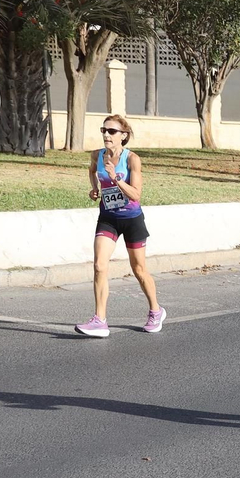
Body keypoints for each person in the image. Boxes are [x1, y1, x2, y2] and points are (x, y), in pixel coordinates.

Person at [75, 115, 163, 337]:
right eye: (103, 130)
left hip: (132, 218)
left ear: (123, 136)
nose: (106, 135)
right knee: (99, 265)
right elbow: (91, 170)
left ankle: (156, 310)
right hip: (108, 217)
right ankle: (100, 321)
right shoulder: (98, 155)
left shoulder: (132, 159)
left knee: (139, 269)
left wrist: (115, 179)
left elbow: (136, 194)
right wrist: (94, 189)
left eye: (111, 131)